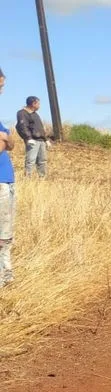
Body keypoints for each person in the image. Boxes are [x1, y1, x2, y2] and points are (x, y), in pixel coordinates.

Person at [0, 68, 16, 287]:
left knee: (5, 233)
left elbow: (11, 142)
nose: (1, 91)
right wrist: (5, 140)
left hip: (6, 180)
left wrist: (5, 139)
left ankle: (5, 274)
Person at [16, 96, 49, 179]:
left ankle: (42, 178)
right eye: (38, 103)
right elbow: (22, 126)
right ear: (33, 103)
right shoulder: (22, 113)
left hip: (41, 140)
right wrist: (28, 138)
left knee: (42, 160)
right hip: (32, 140)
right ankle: (28, 178)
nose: (39, 106)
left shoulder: (35, 114)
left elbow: (40, 128)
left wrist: (46, 140)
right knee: (30, 160)